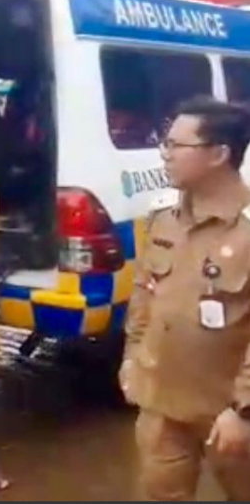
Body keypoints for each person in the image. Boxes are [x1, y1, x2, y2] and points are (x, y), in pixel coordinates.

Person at [120, 97, 250, 501]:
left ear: (219, 154)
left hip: (228, 414)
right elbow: (144, 296)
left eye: (177, 145)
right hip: (161, 405)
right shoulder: (163, 218)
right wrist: (132, 356)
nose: (165, 153)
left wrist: (244, 409)